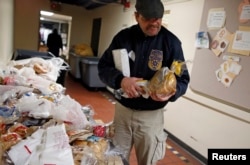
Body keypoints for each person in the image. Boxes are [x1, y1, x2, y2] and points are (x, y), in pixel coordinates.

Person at [98, 0, 190, 164]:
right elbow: (103, 67)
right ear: (137, 16)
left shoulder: (171, 43)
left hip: (151, 118)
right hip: (122, 113)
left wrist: (171, 92)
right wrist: (121, 80)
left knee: (148, 161)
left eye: (158, 18)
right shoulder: (123, 38)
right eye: (149, 18)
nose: (155, 23)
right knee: (115, 159)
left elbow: (182, 79)